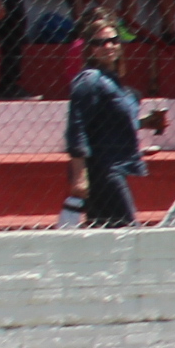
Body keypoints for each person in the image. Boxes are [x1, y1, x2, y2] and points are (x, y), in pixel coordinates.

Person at [62, 17, 159, 227]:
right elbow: (76, 127)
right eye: (99, 42)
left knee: (104, 231)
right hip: (103, 170)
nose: (108, 46)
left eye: (113, 40)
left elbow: (107, 122)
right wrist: (79, 176)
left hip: (114, 167)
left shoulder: (110, 80)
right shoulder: (90, 79)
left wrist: (145, 122)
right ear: (90, 49)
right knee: (128, 231)